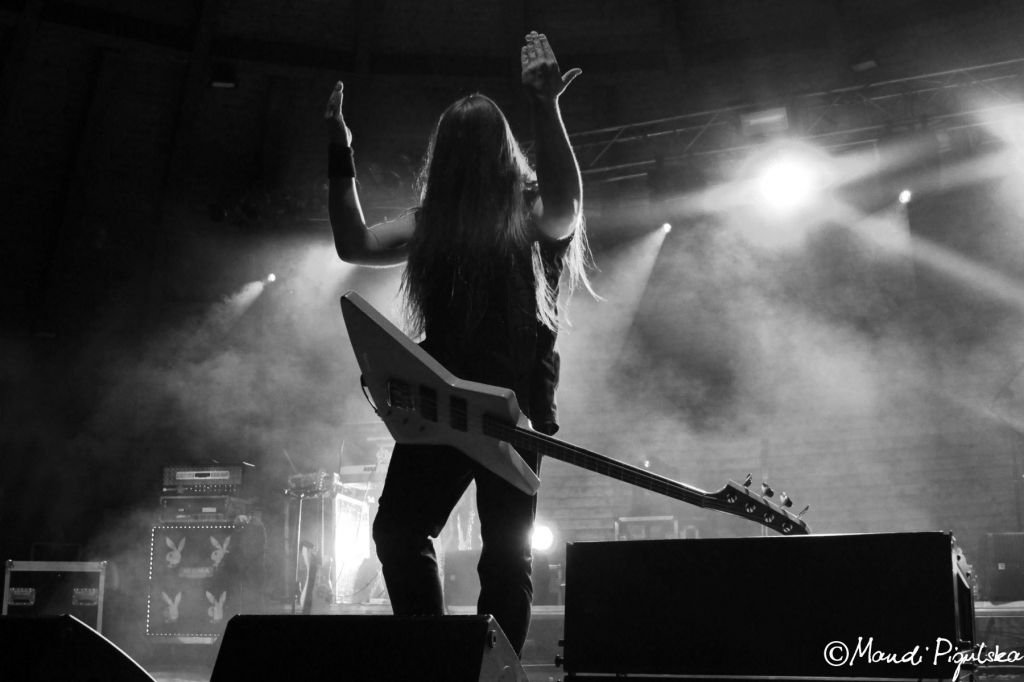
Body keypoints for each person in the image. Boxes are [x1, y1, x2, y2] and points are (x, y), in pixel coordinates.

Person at [324, 31, 592, 656]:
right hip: (441, 399)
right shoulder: (434, 223)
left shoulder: (526, 210)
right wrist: (340, 150)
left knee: (488, 551)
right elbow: (354, 245)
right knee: (433, 539)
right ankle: (441, 662)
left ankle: (475, 669)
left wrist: (547, 106)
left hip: (510, 408)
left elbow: (566, 209)